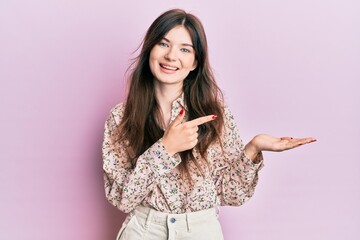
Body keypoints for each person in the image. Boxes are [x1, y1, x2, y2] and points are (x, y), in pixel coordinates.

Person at [102, 8, 316, 240]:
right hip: (143, 230)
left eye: (185, 49)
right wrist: (166, 149)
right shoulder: (121, 117)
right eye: (164, 44)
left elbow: (232, 194)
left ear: (195, 62)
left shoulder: (214, 114)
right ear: (150, 50)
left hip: (200, 231)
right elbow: (122, 199)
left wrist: (253, 148)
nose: (172, 56)